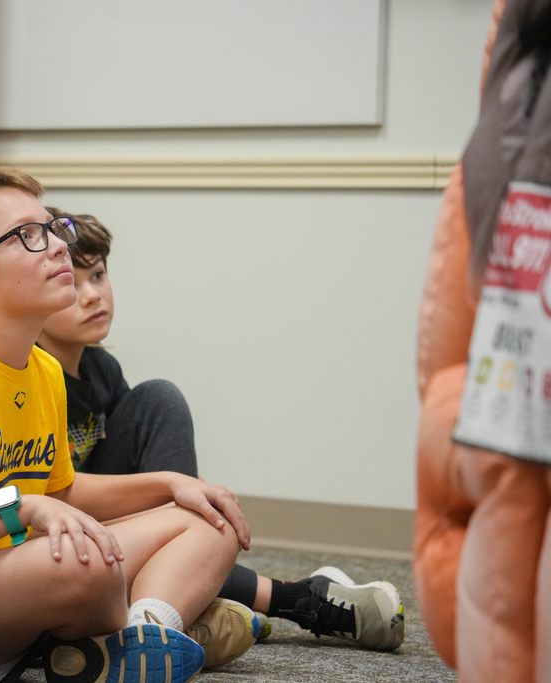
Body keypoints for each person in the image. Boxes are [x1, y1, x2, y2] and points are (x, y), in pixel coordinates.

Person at [0, 167, 266, 683]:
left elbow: (64, 489)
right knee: (88, 563)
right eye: (27, 236)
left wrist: (170, 485)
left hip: (6, 572)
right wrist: (23, 508)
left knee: (210, 519)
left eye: (53, 227)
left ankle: (143, 637)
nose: (58, 246)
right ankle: (122, 636)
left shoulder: (44, 369)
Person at [36, 209, 405, 651]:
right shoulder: (36, 377)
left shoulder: (101, 369)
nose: (93, 295)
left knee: (159, 398)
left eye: (97, 276)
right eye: (72, 284)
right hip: (58, 537)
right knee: (190, 531)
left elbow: (138, 486)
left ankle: (191, 595)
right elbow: (54, 492)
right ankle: (294, 599)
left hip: (118, 532)